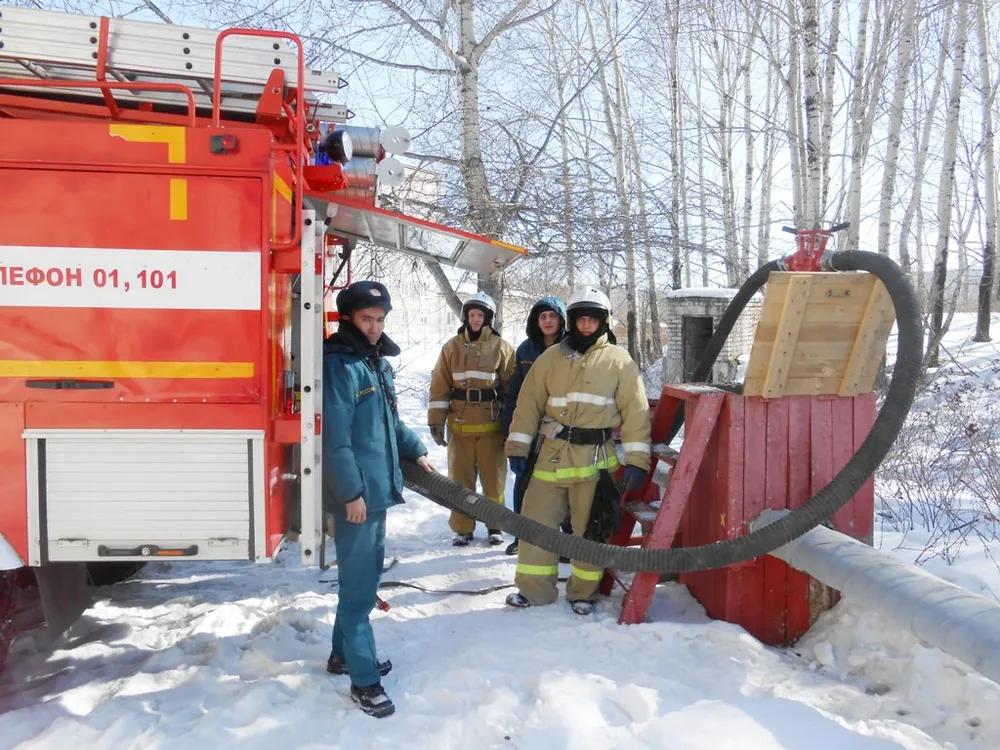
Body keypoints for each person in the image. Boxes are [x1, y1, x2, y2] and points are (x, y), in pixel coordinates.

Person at [322, 280, 435, 718]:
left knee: (362, 580)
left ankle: (341, 656)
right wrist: (349, 492)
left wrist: (415, 449)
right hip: (357, 498)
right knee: (359, 591)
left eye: (380, 319)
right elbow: (335, 440)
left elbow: (389, 420)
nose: (374, 327)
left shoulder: (374, 363)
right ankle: (364, 681)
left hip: (378, 492)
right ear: (348, 319)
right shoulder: (341, 366)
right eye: (366, 319)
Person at [503, 287, 651, 615]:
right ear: (571, 321)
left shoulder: (619, 361)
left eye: (592, 319)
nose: (586, 325)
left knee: (591, 528)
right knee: (535, 522)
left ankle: (582, 591)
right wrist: (518, 445)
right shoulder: (549, 359)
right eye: (580, 319)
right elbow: (527, 404)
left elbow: (636, 412)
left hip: (595, 461)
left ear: (604, 322)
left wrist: (638, 459)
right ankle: (533, 589)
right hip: (551, 455)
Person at [428, 291, 515, 546]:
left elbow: (512, 389)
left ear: (488, 318)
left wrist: (511, 425)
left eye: (480, 315)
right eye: (472, 315)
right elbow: (439, 386)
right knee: (460, 481)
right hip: (459, 427)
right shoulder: (451, 347)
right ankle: (463, 528)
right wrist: (436, 421)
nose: (475, 319)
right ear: (466, 317)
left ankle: (494, 526)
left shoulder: (501, 347)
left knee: (493, 480)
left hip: (492, 427)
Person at [501, 296, 571, 556]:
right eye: (543, 317)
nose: (548, 321)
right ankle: (523, 537)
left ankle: (566, 541)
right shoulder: (525, 350)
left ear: (562, 319)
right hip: (530, 425)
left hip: (561, 429)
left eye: (552, 316)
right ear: (536, 321)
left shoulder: (571, 348)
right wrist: (509, 429)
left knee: (563, 483)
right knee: (524, 481)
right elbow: (515, 393)